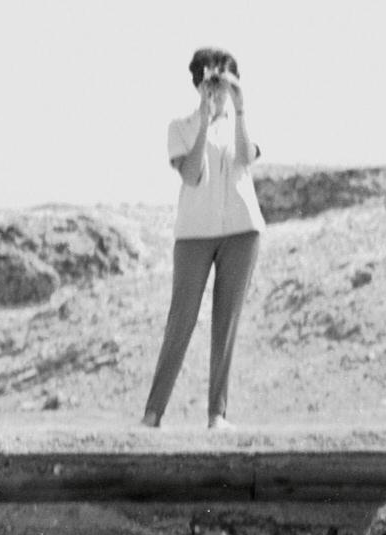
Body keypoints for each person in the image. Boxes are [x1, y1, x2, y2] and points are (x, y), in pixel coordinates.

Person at [141, 47, 265, 431]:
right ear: (198, 83)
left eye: (225, 82)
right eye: (211, 81)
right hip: (194, 233)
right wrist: (204, 122)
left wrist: (239, 110)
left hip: (242, 231)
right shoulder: (179, 126)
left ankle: (218, 415)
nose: (218, 89)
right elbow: (193, 175)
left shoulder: (240, 122)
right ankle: (152, 415)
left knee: (226, 322)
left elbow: (246, 157)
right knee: (181, 320)